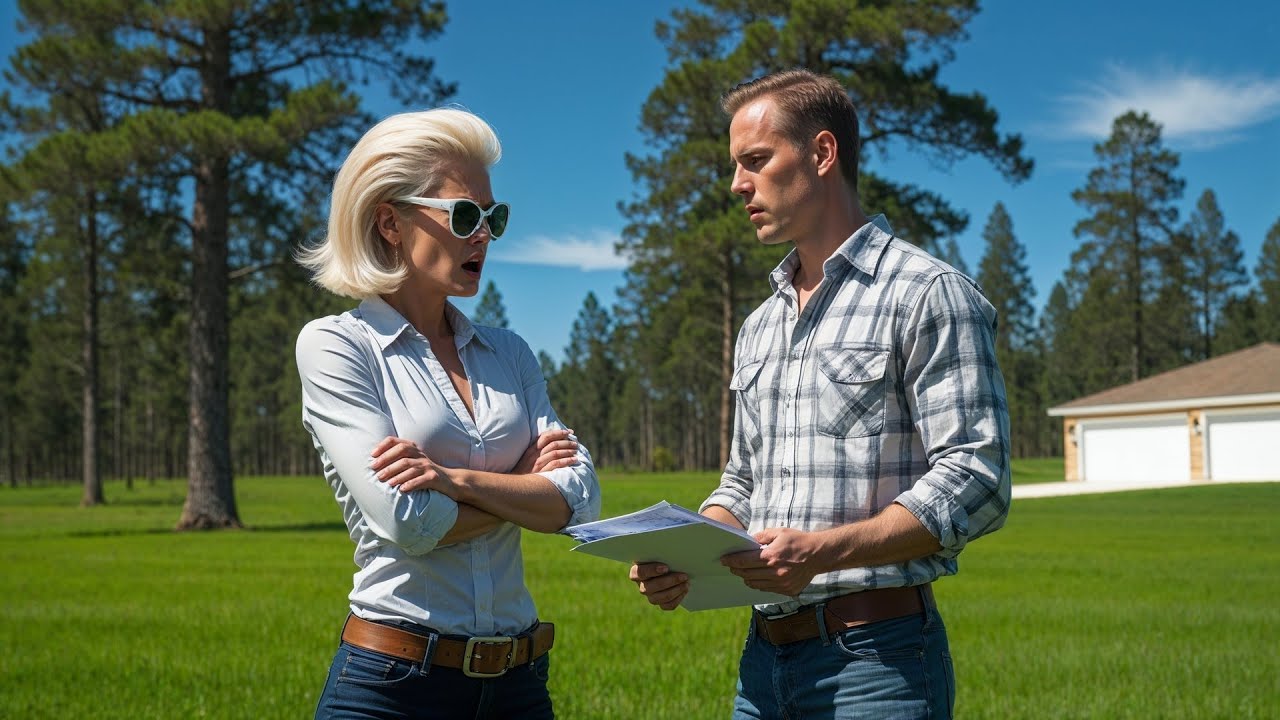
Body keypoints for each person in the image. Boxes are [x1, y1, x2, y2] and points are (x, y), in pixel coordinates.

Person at [629, 69, 1011, 718]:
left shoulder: (926, 293)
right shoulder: (759, 326)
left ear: (822, 154)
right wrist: (686, 550)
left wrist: (823, 551)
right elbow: (743, 482)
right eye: (734, 166)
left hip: (879, 664)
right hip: (762, 664)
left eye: (755, 161)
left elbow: (978, 477)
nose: (736, 185)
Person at [295, 108, 600, 719]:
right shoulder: (335, 346)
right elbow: (410, 521)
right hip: (390, 686)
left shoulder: (509, 353)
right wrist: (523, 491)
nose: (483, 234)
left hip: (518, 688)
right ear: (389, 222)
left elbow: (580, 501)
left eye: (494, 218)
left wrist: (454, 481)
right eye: (464, 215)